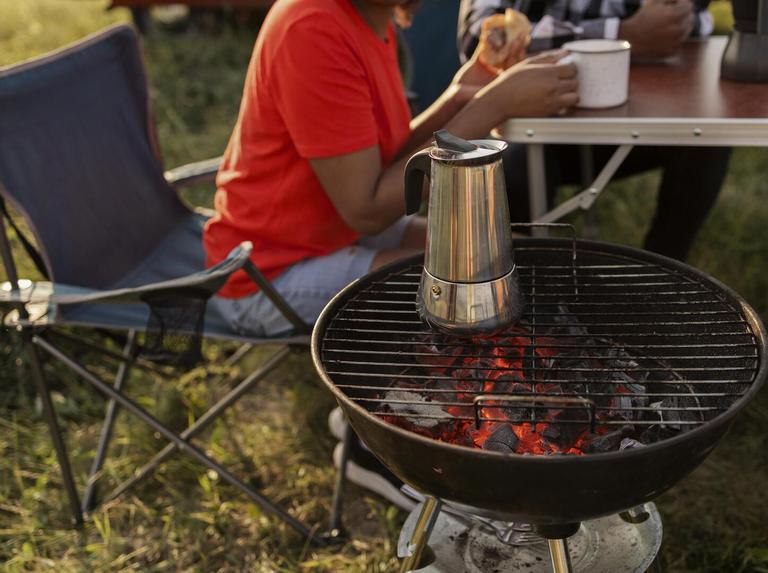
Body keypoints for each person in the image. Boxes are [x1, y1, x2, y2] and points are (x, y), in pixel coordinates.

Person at [203, 0, 578, 507]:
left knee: (486, 261)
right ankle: (372, 449)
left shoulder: (369, 19)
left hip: (329, 233)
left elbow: (382, 157)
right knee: (449, 293)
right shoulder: (311, 27)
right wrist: (493, 105)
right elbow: (367, 208)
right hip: (265, 269)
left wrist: (460, 96)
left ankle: (365, 404)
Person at [459, 0, 732, 262]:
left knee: (707, 131)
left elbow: (692, 24)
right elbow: (480, 38)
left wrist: (668, 26)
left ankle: (664, 275)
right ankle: (535, 288)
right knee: (512, 171)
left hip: (640, 107)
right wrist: (621, 35)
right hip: (536, 118)